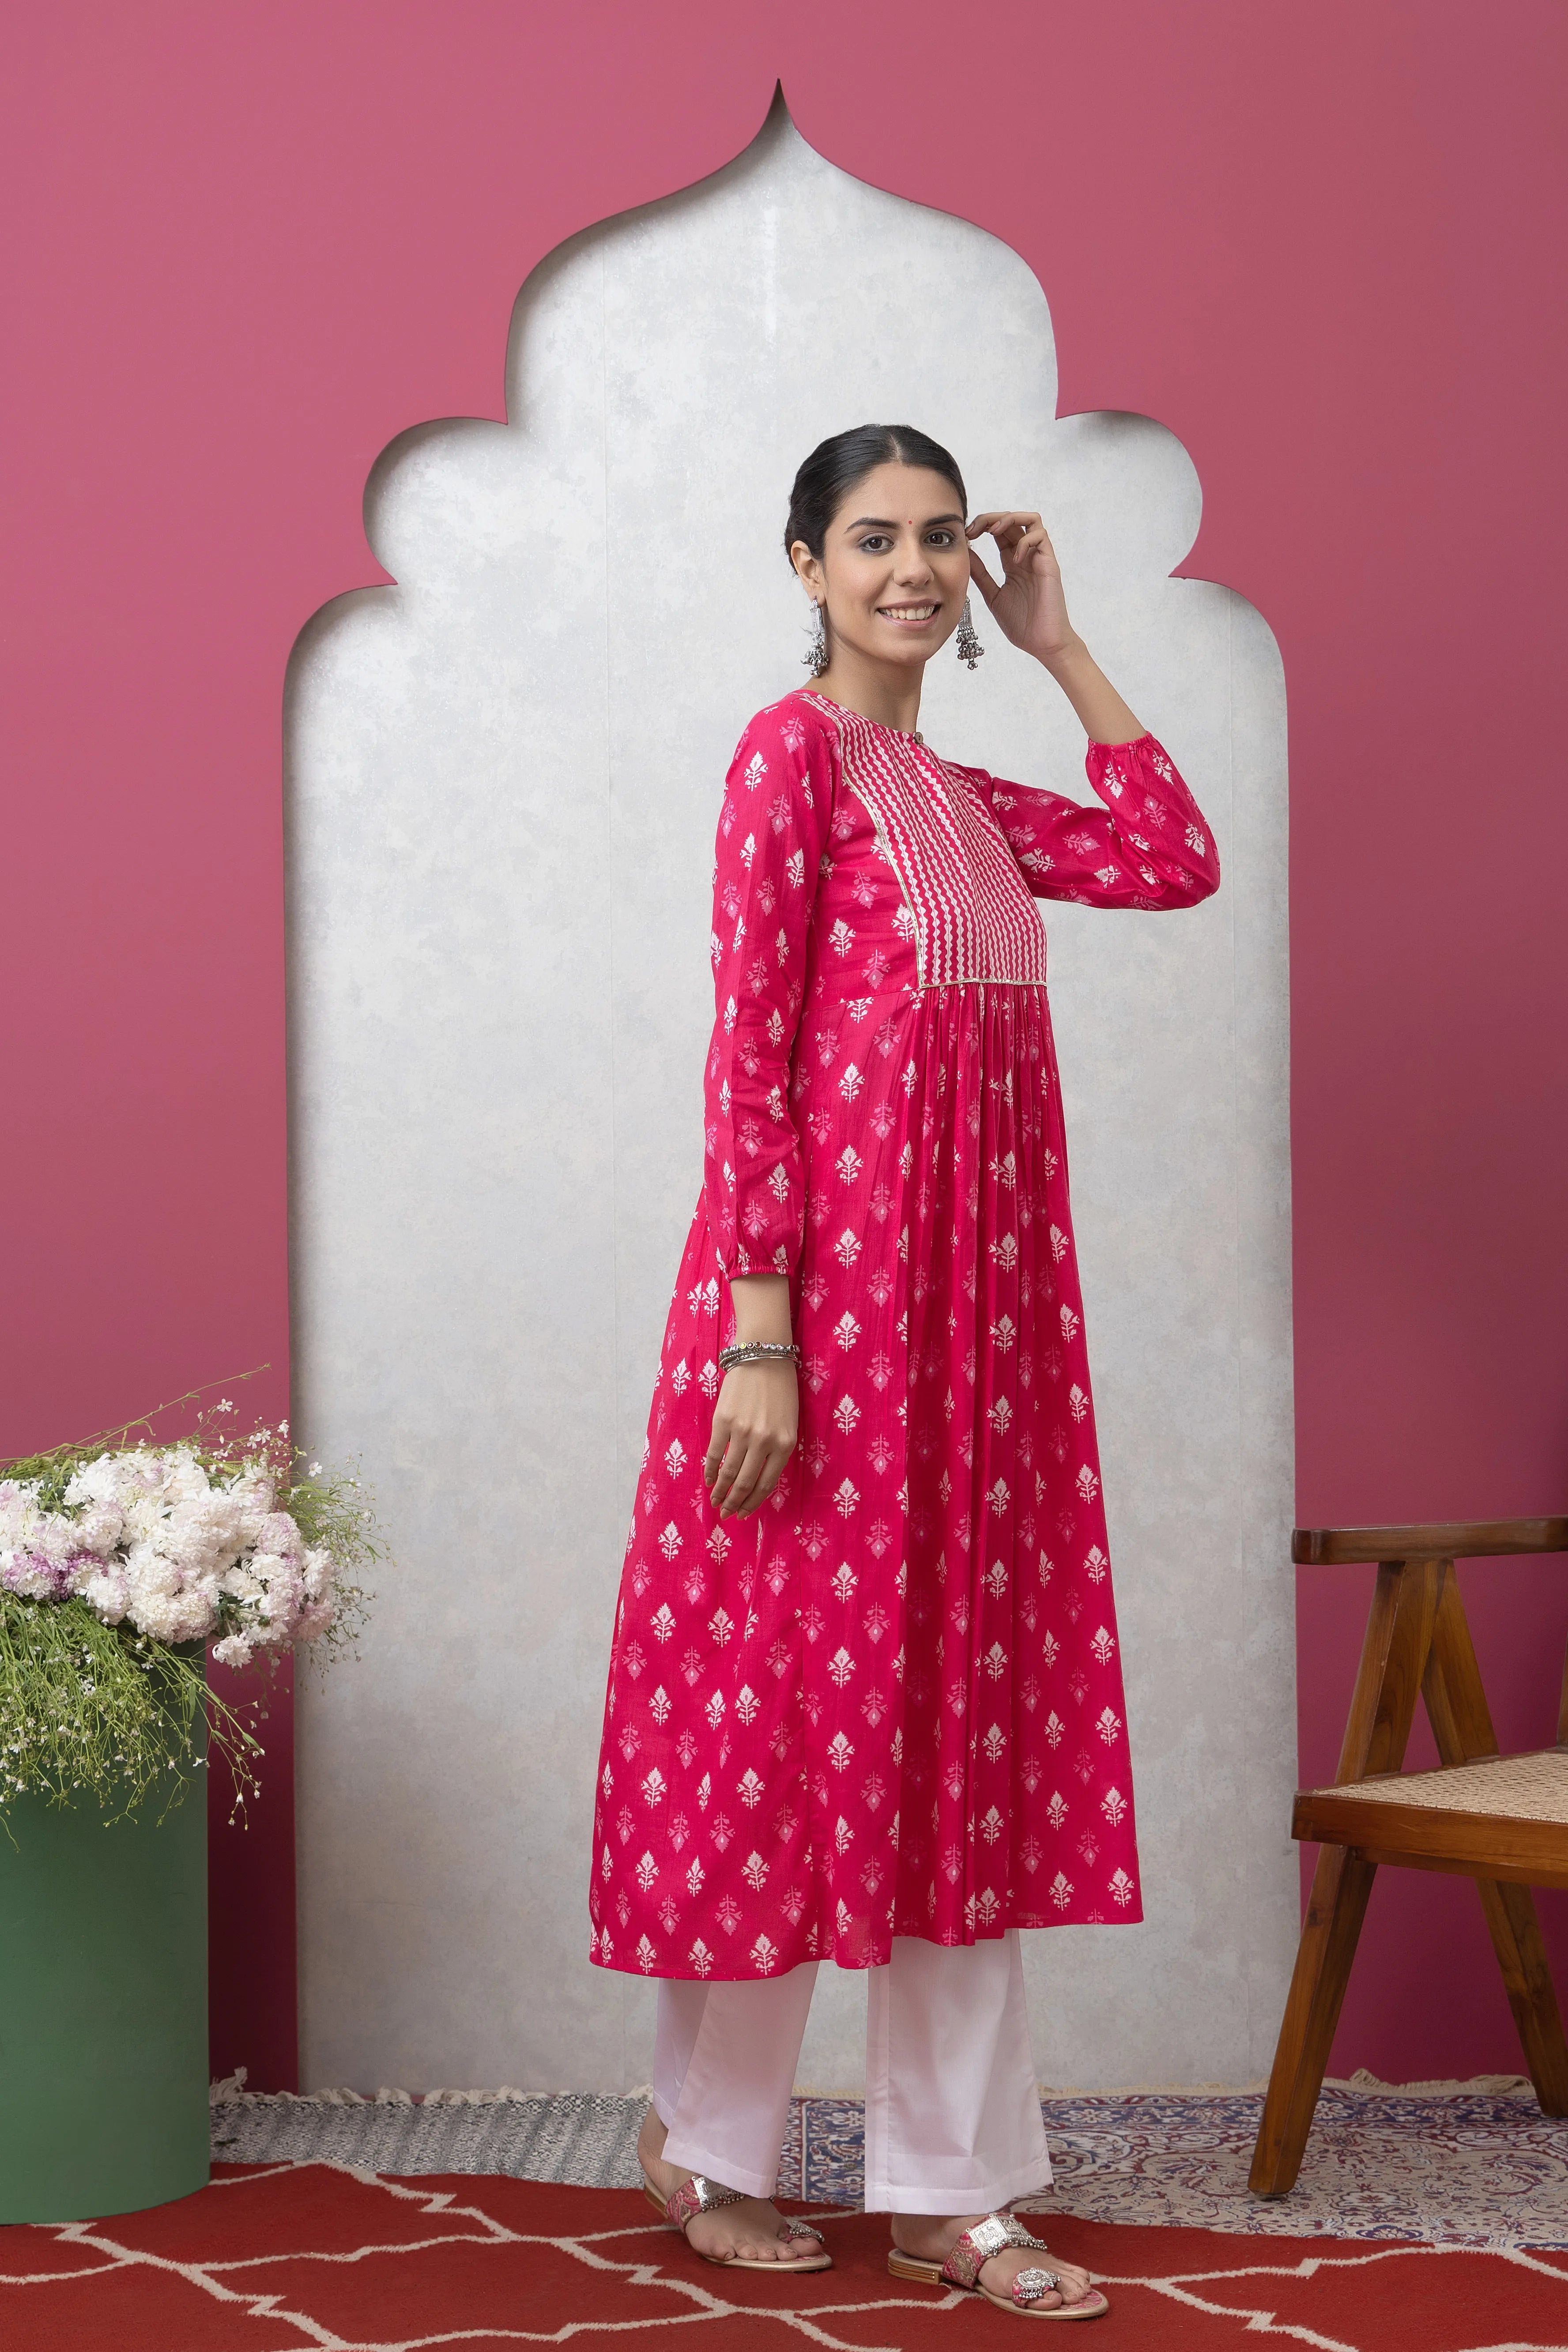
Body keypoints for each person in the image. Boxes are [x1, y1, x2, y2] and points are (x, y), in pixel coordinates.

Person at [589, 423, 1219, 2321]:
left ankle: (958, 2191)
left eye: (943, 540)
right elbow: (746, 1057)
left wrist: (1063, 644)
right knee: (786, 1728)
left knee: (958, 1735)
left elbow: (1175, 860)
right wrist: (760, 1334)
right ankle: (708, 2153)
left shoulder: (955, 788)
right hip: (814, 1336)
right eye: (876, 539)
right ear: (805, 564)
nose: (917, 569)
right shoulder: (790, 764)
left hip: (981, 1345)